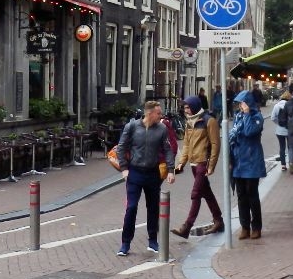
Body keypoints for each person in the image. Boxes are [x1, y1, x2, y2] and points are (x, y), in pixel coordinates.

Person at [114, 100, 175, 257]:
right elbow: (121, 147)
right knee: (131, 207)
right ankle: (125, 243)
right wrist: (124, 168)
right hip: (135, 172)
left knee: (153, 207)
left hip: (152, 173)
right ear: (149, 113)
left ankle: (153, 241)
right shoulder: (132, 127)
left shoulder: (162, 129)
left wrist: (170, 170)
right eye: (158, 113)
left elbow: (167, 149)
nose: (161, 116)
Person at [172, 96, 223, 238]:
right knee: (206, 193)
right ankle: (218, 220)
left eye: (188, 107)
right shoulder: (189, 122)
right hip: (193, 164)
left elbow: (215, 144)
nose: (185, 110)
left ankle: (186, 227)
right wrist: (181, 162)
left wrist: (211, 165)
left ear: (194, 106)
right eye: (184, 108)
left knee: (196, 194)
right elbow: (186, 144)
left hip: (203, 162)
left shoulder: (209, 121)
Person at [229, 94, 266, 240]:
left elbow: (249, 132)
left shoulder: (257, 117)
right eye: (239, 104)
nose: (240, 106)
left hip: (251, 161)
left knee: (252, 195)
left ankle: (256, 227)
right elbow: (233, 136)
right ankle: (244, 227)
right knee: (241, 196)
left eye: (242, 103)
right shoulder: (238, 117)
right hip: (239, 162)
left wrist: (247, 114)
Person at [270, 90, 291, 172]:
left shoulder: (277, 106)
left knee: (282, 148)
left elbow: (273, 118)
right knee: (290, 147)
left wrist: (278, 123)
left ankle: (283, 165)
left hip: (279, 130)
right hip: (289, 129)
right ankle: (291, 164)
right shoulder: (290, 105)